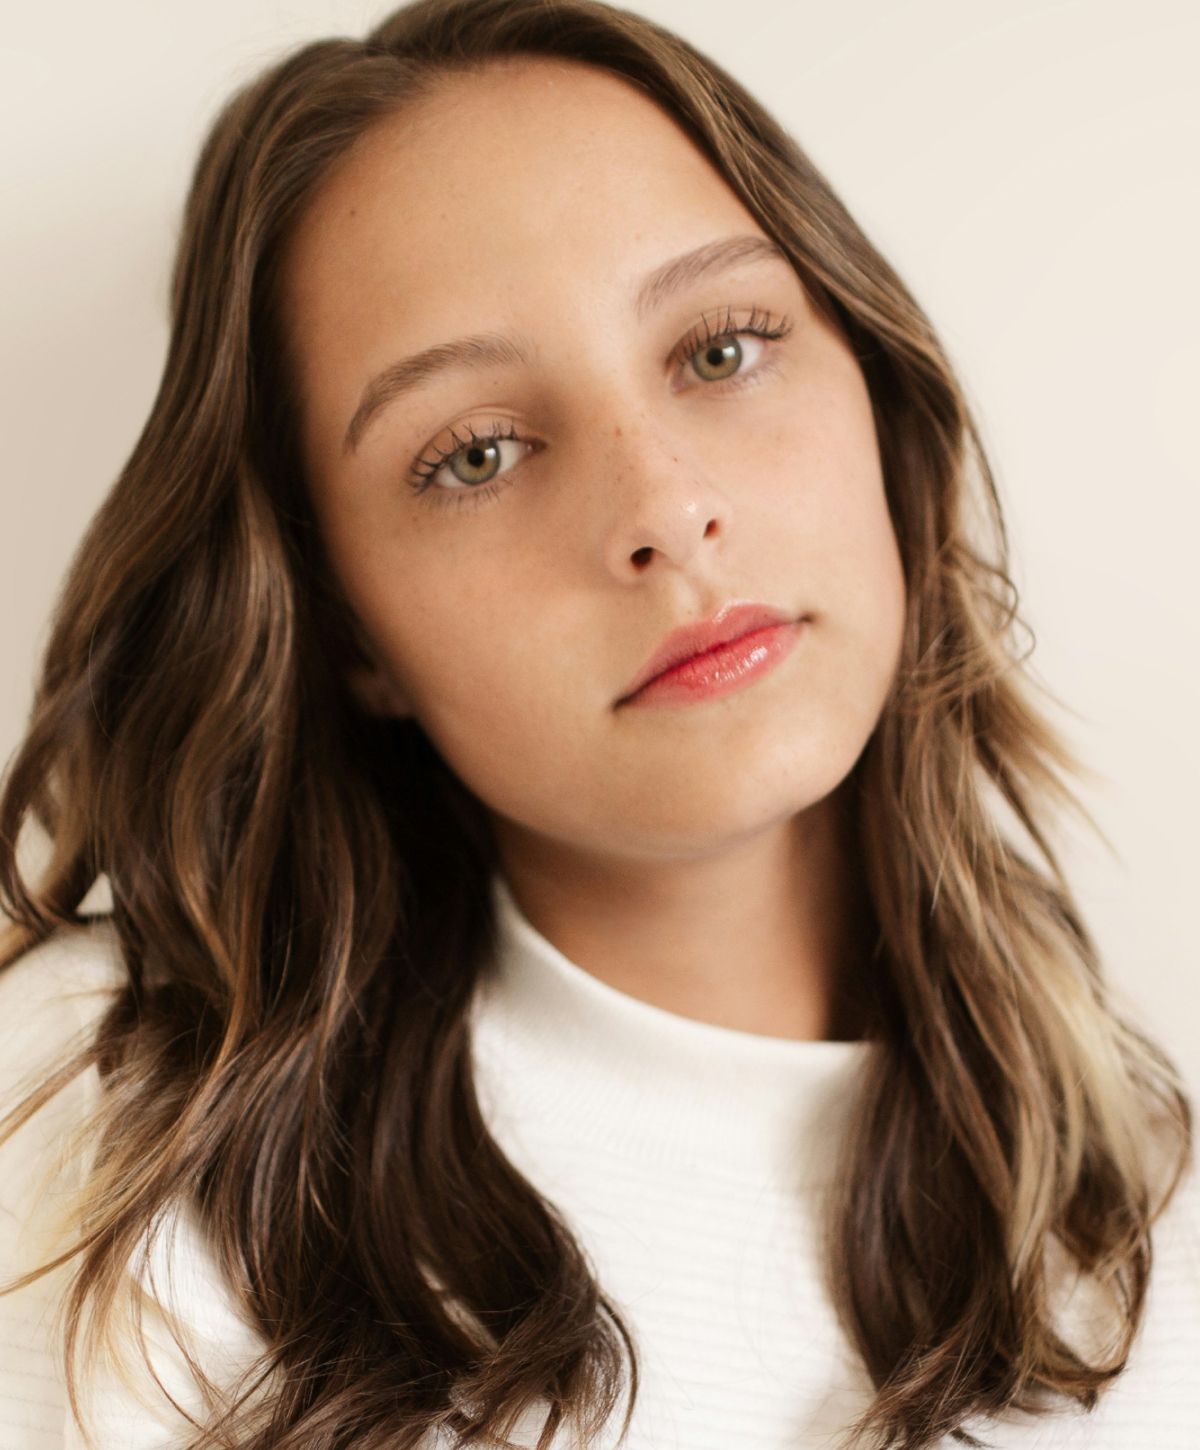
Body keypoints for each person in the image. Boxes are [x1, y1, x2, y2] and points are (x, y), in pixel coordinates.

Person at [1, 0, 1195, 1446]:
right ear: (348, 629)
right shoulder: (98, 1133)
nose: (662, 509)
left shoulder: (1149, 1232)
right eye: (477, 453)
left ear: (878, 392)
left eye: (721, 349)